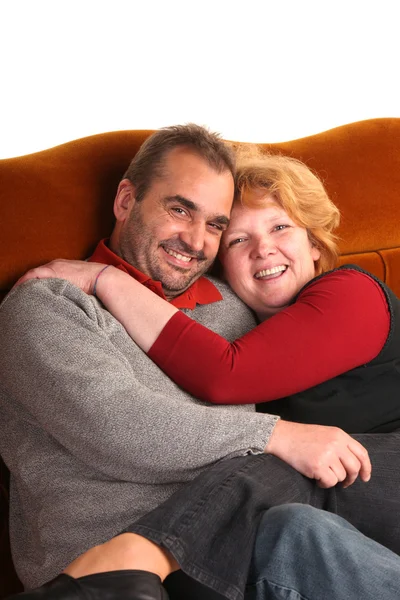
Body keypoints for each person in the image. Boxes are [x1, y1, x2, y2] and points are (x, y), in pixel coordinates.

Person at [3, 133, 399, 600]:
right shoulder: (47, 304)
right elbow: (118, 425)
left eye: (214, 224)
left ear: (315, 242)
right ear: (126, 200)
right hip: (108, 553)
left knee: (298, 529)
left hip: (249, 536)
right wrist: (279, 436)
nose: (194, 240)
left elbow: (227, 371)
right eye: (179, 209)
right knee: (299, 530)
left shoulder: (233, 305)